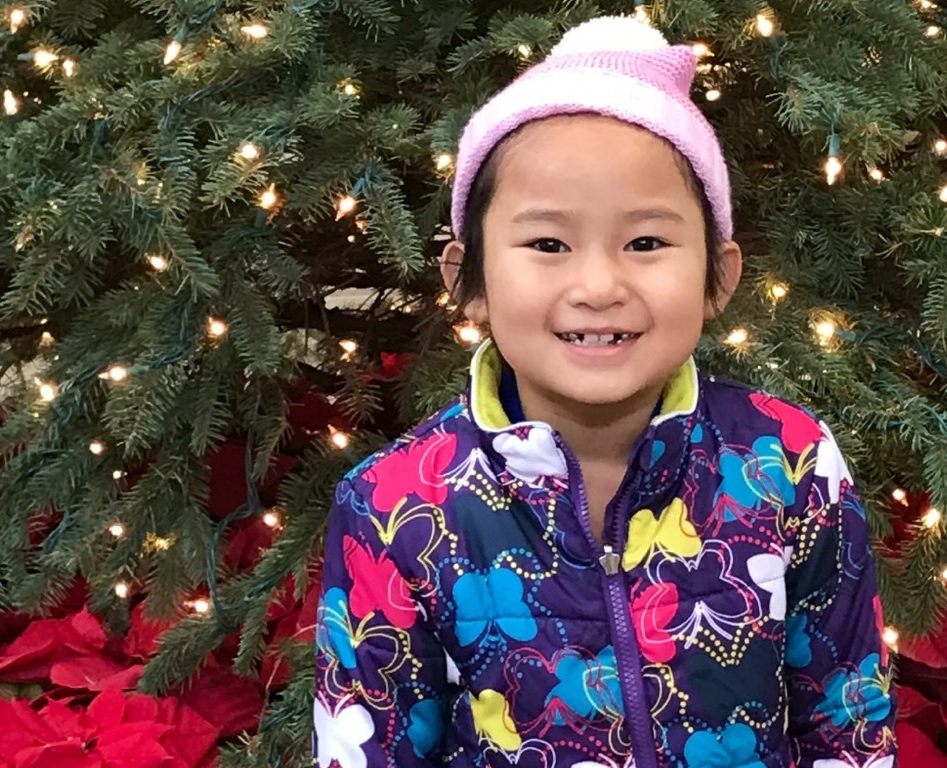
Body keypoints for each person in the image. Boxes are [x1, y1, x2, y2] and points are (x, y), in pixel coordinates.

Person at [312, 15, 897, 768]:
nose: (598, 286)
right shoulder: (394, 505)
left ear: (719, 276)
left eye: (646, 242)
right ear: (468, 279)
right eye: (547, 244)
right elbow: (366, 747)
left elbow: (848, 719)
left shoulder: (787, 461)